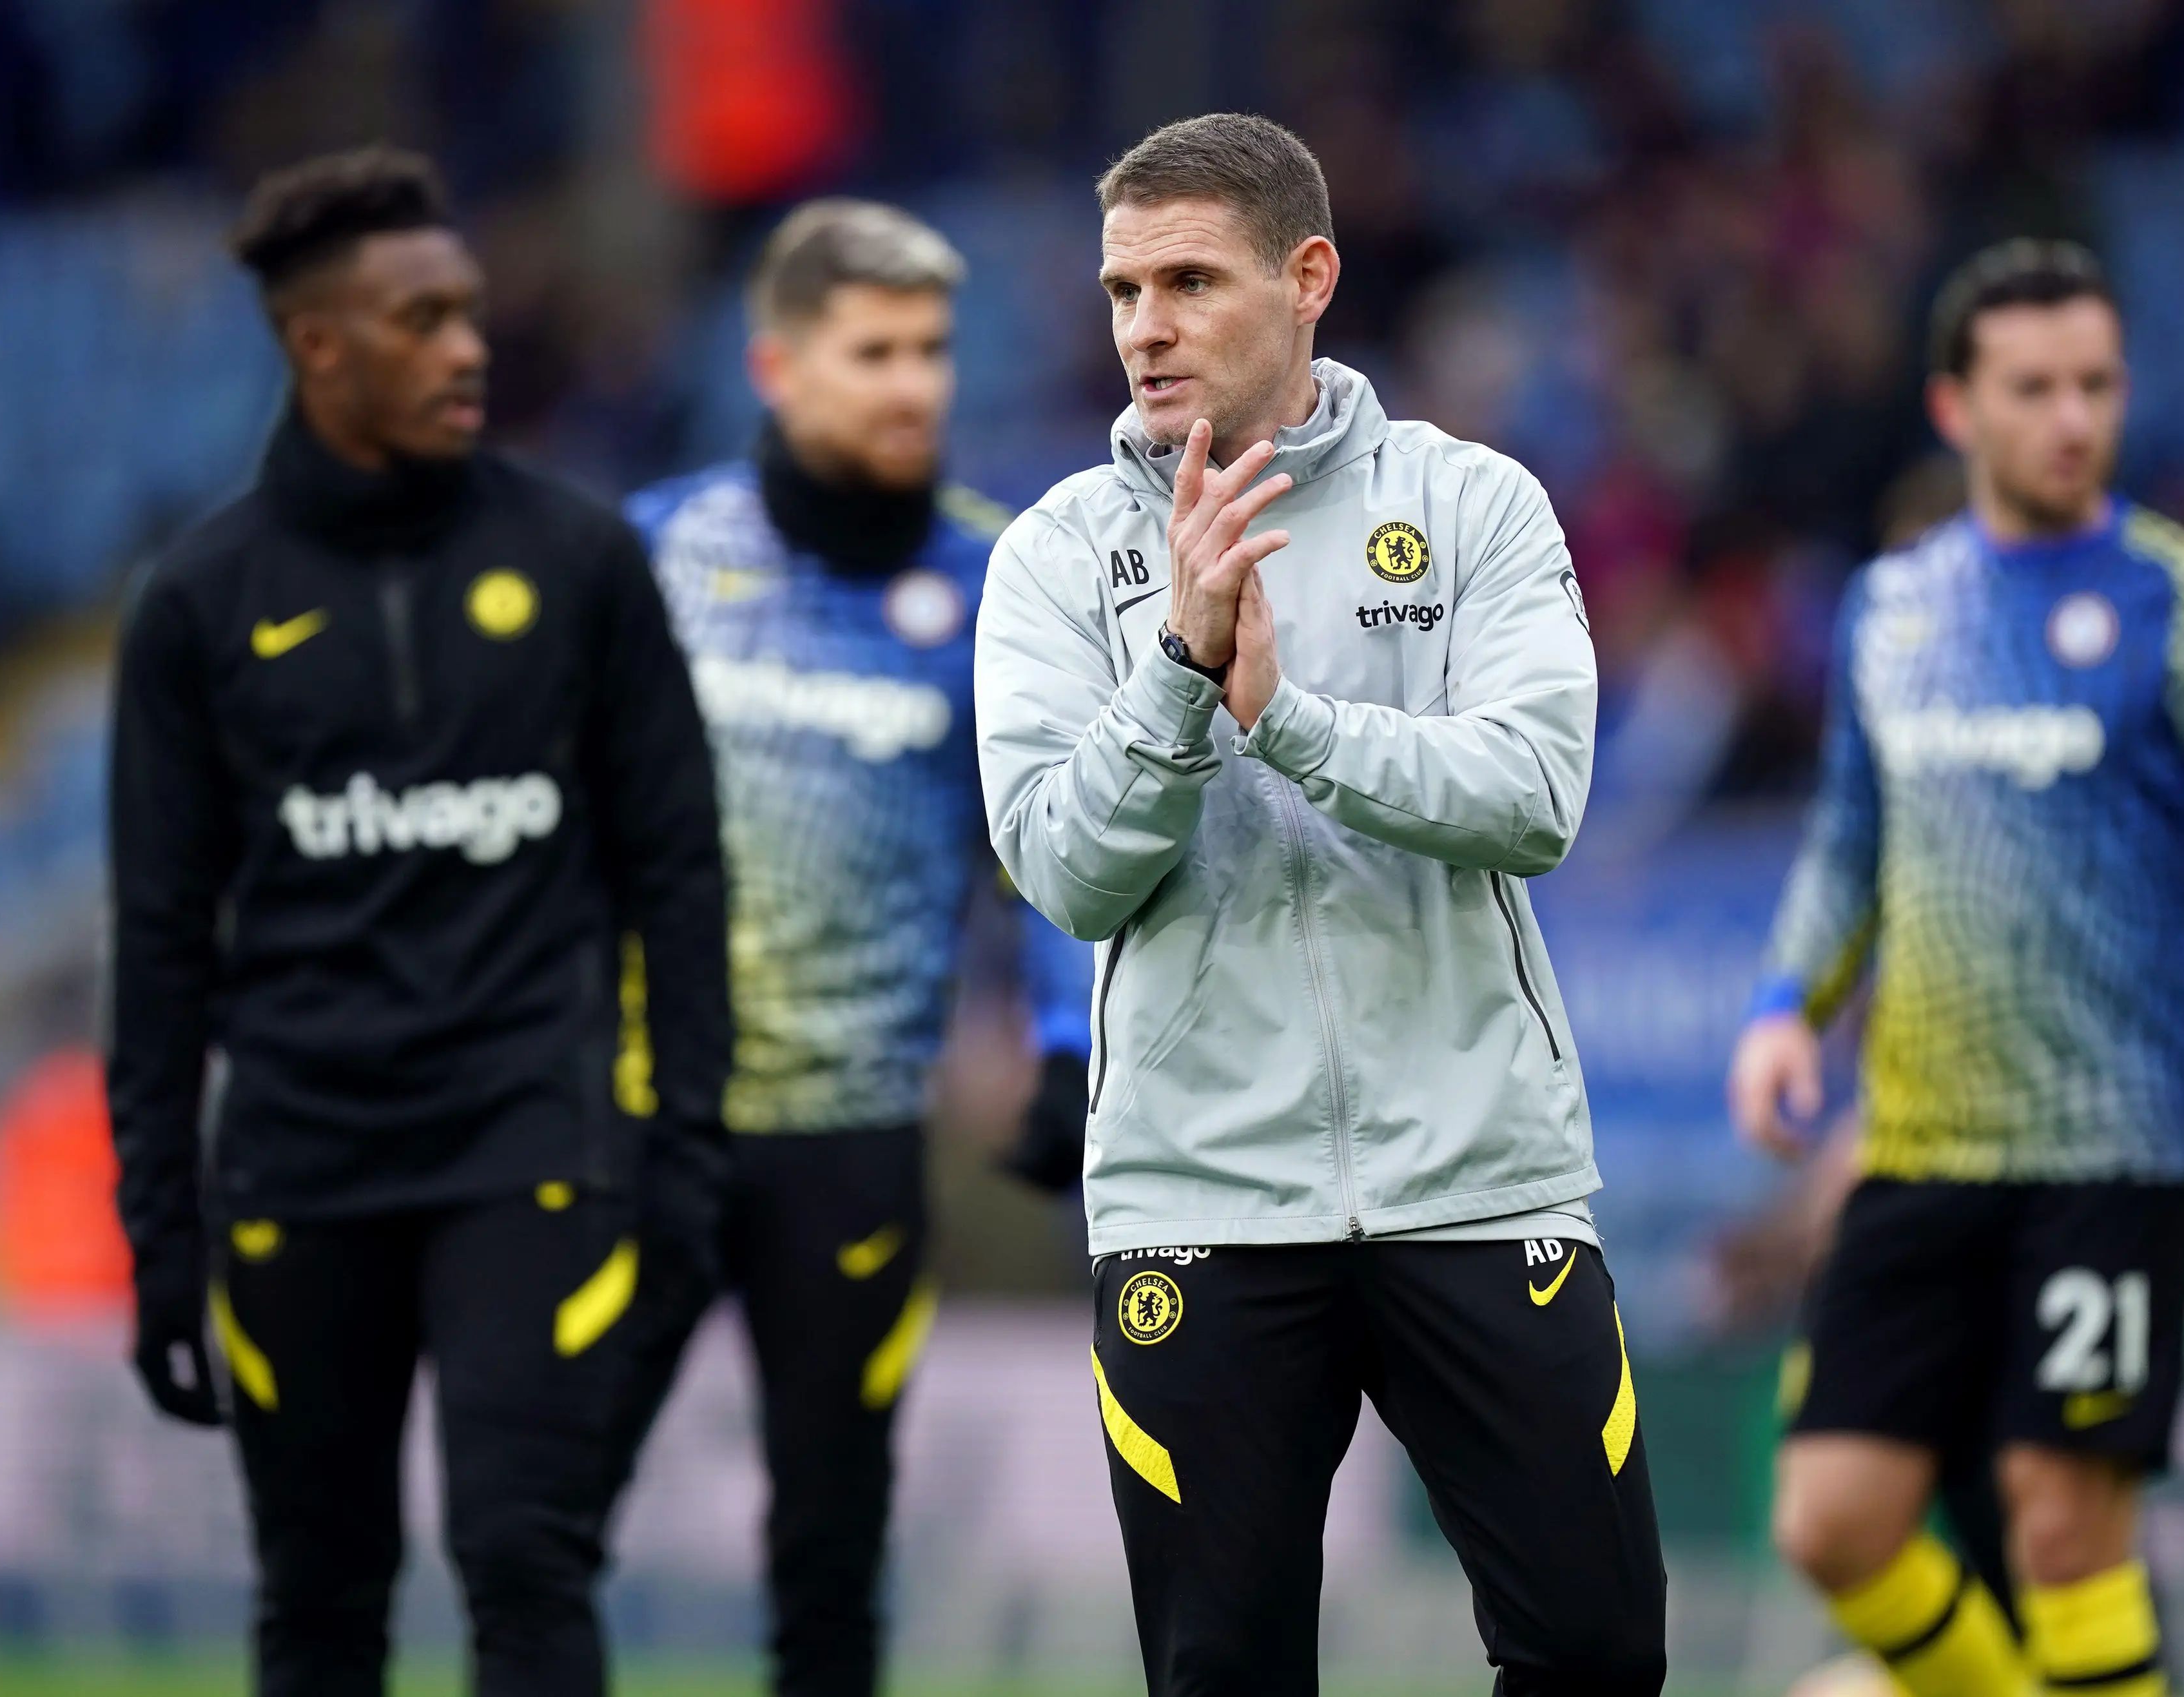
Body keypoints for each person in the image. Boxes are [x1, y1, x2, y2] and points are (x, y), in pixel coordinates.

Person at [974, 113, 1664, 1697]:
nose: (1144, 324)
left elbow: (1536, 796)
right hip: (1200, 1200)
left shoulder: (1473, 502)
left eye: (1190, 279)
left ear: (1308, 278)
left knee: (1602, 1649)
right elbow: (1068, 872)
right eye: (1122, 287)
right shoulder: (1057, 560)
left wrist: (1289, 719)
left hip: (1478, 1183)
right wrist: (1178, 675)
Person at [1728, 238, 2184, 1697]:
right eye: (2033, 387)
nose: (2072, 418)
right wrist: (1787, 1006)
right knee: (1832, 1519)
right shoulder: (1894, 608)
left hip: (2108, 1146)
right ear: (1954, 408)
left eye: (2096, 384)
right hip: (1916, 1149)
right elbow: (1851, 841)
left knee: (2063, 1528)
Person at [107, 146, 730, 1697]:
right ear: (320, 343)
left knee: (528, 1556)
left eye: (469, 312)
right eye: (424, 319)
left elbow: (681, 870)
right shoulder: (199, 601)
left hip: (528, 1145)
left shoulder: (581, 560)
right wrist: (160, 1230)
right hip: (299, 1164)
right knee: (318, 1593)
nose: (469, 346)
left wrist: (688, 1151)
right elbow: (162, 942)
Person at [615, 198, 1092, 1697]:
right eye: (873, 350)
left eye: (934, 351)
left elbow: (1057, 842)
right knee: (539, 1520)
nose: (912, 384)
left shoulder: (1001, 582)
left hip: (857, 1138)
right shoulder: (655, 552)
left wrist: (1072, 1049)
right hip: (639, 1122)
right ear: (776, 365)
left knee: (832, 1550)